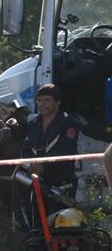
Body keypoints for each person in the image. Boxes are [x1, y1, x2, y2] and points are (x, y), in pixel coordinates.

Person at [21, 84, 80, 219]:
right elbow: (25, 150)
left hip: (61, 184)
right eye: (39, 100)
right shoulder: (33, 124)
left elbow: (66, 150)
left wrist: (43, 165)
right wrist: (30, 166)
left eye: (46, 100)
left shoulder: (68, 122)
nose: (42, 104)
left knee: (59, 226)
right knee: (37, 227)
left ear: (57, 102)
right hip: (37, 184)